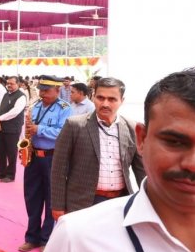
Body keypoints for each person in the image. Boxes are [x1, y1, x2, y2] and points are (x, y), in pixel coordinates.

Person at [22, 67, 195, 252]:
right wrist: (59, 206)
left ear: (120, 101)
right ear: (144, 138)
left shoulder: (124, 128)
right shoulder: (78, 239)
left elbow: (136, 166)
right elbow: (60, 166)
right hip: (86, 200)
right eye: (175, 142)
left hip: (118, 192)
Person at [51, 77, 145, 217]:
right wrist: (58, 206)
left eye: (112, 99)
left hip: (120, 202)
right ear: (93, 97)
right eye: (100, 98)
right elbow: (59, 169)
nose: (105, 104)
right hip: (82, 203)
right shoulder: (74, 125)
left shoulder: (132, 128)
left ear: (122, 101)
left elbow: (141, 170)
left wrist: (150, 202)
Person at [18, 75, 72, 252]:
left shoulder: (65, 108)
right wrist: (27, 138)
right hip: (34, 156)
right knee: (31, 197)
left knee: (51, 199)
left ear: (58, 90)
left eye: (46, 90)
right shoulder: (35, 106)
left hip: (52, 158)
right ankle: (31, 237)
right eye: (40, 90)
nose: (42, 94)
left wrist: (38, 129)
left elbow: (62, 132)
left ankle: (46, 239)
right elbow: (28, 129)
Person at [0, 76, 28, 183]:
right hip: (2, 127)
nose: (9, 85)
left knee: (11, 152)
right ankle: (1, 172)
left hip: (13, 127)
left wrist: (0, 118)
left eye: (11, 83)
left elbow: (15, 112)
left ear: (18, 84)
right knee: (0, 151)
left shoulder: (21, 96)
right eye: (7, 83)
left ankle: (10, 174)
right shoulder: (5, 94)